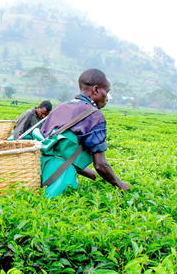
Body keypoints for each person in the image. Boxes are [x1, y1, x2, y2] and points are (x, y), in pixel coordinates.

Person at [37, 68, 129, 198]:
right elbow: (100, 164)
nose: (107, 98)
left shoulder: (60, 107)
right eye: (106, 92)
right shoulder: (94, 115)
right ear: (96, 90)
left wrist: (95, 177)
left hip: (38, 174)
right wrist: (120, 184)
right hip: (60, 181)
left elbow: (62, 155)